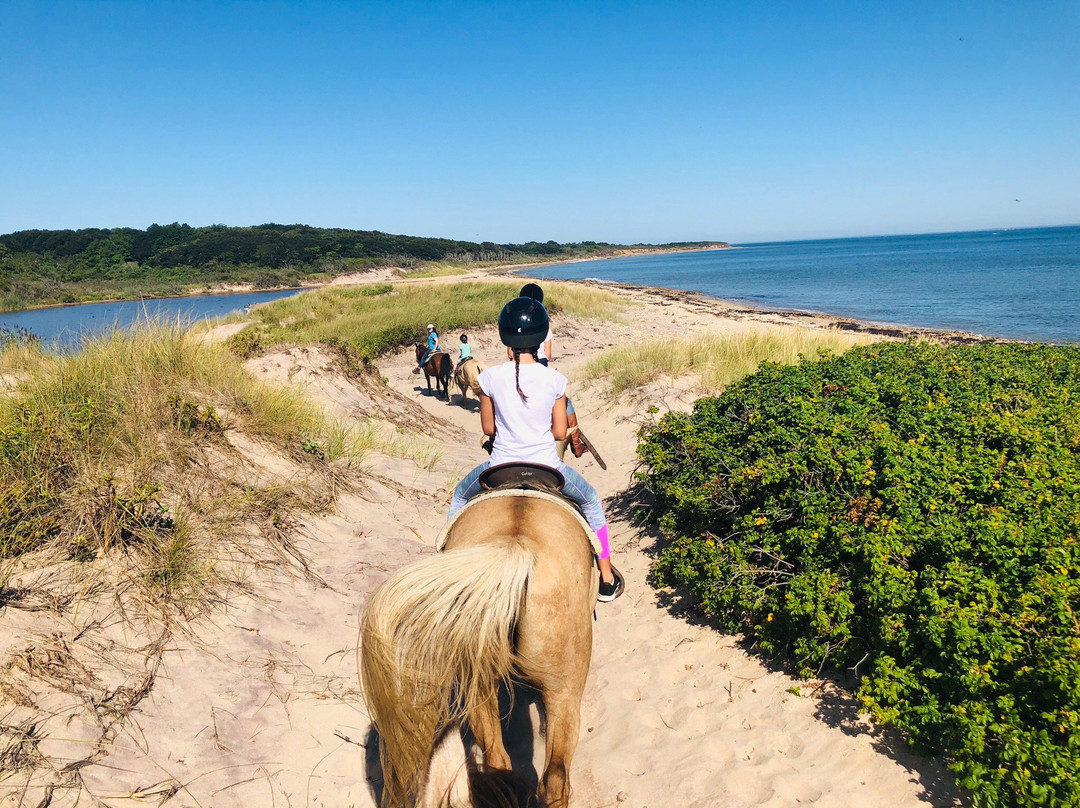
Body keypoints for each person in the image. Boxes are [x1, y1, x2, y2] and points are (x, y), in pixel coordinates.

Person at [448, 297, 624, 602]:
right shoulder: (555, 379)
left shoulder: (489, 377)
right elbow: (558, 431)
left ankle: (448, 570)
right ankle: (606, 578)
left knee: (460, 496)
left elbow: (488, 430)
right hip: (548, 469)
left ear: (506, 338)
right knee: (593, 503)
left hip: (499, 467)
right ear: (541, 337)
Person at [519, 283, 554, 365]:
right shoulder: (543, 324)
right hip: (541, 360)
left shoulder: (517, 324)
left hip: (519, 361)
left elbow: (510, 354)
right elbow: (548, 355)